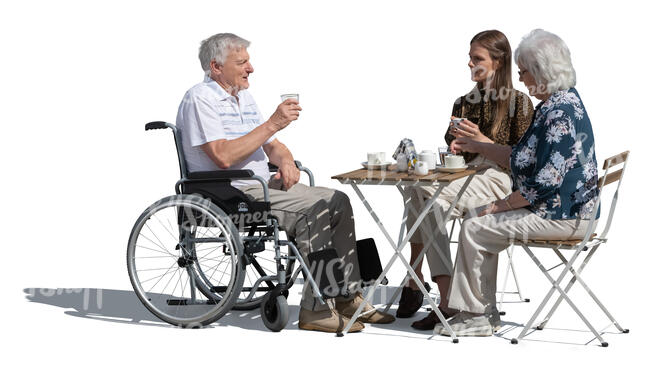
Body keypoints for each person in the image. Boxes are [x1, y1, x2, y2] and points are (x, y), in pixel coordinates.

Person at [175, 33, 394, 333]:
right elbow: (222, 157)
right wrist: (272, 123)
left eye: (248, 61)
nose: (250, 68)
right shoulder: (200, 99)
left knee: (338, 200)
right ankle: (315, 310)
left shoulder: (244, 98)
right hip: (228, 191)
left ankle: (347, 297)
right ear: (216, 67)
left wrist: (287, 161)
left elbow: (273, 146)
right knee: (313, 209)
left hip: (261, 184)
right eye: (241, 63)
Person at [435, 29, 599, 336]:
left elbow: (545, 182)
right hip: (565, 211)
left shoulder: (558, 113)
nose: (521, 78)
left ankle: (477, 316)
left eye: (524, 72)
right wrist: (479, 146)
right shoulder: (560, 102)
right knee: (478, 220)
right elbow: (523, 157)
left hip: (563, 215)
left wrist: (500, 205)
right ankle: (481, 311)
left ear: (540, 71)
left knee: (475, 225)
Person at [397, 30, 534, 330]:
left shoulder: (519, 103)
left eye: (477, 59)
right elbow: (453, 147)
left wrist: (481, 141)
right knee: (415, 190)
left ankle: (424, 284)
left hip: (497, 178)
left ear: (498, 62)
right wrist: (455, 146)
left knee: (427, 198)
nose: (470, 64)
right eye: (470, 58)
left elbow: (523, 160)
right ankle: (441, 293)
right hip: (462, 175)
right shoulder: (463, 102)